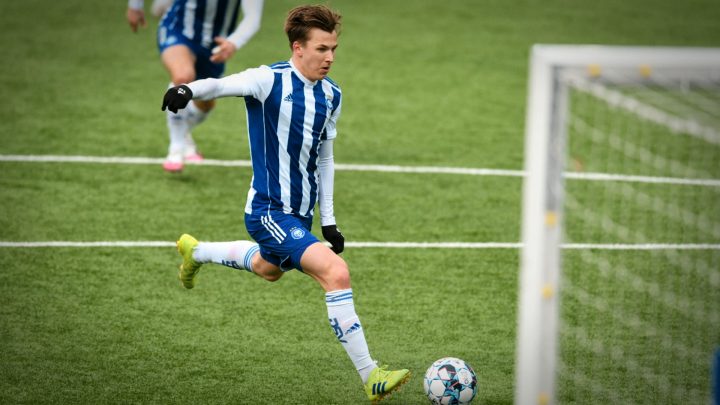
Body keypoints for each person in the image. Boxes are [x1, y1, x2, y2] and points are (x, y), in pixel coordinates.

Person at [161, 4, 410, 402]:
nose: (329, 57)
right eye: (321, 49)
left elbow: (324, 158)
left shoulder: (332, 95)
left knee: (268, 268)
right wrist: (187, 89)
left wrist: (327, 221)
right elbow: (220, 86)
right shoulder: (268, 80)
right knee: (335, 272)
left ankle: (197, 251)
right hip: (267, 211)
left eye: (334, 49)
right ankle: (371, 375)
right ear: (298, 47)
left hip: (301, 214)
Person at [126, 0, 264, 172]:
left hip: (215, 44)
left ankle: (183, 132)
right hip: (178, 28)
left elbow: (253, 17)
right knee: (183, 76)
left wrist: (233, 42)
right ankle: (176, 147)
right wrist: (135, 6)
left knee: (205, 103)